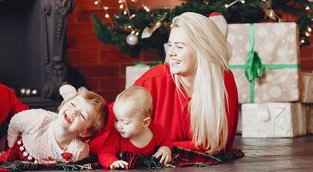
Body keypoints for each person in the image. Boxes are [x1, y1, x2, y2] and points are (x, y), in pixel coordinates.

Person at [91, 12, 238, 156]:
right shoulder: (155, 78)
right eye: (170, 45)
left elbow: (215, 144)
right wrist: (82, 126)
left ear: (202, 50)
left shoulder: (222, 80)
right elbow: (113, 115)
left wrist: (161, 145)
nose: (171, 53)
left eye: (179, 46)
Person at [0, 86, 108, 164]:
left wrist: (55, 163)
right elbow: (16, 121)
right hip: (13, 143)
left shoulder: (78, 150)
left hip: (31, 164)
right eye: (73, 104)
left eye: (82, 115)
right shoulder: (38, 120)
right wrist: (10, 147)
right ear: (64, 103)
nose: (74, 112)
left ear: (85, 132)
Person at [98, 85, 171, 169]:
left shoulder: (156, 130)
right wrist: (113, 162)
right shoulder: (116, 135)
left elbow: (166, 138)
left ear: (145, 122)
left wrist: (165, 147)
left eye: (125, 122)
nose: (119, 126)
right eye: (116, 120)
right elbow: (105, 152)